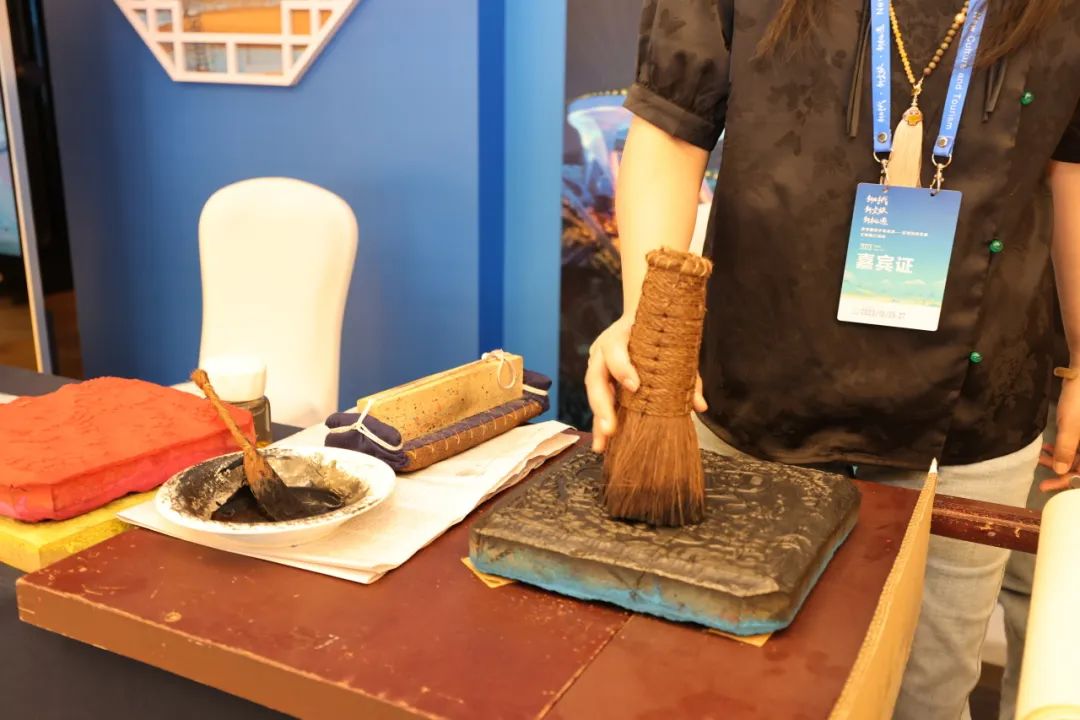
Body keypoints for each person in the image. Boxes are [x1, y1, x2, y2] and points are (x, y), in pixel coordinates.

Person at [585, 1, 1080, 719]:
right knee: (724, 685)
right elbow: (671, 127)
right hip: (749, 389)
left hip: (970, 419)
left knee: (925, 691)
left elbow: (1072, 168)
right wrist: (647, 318)